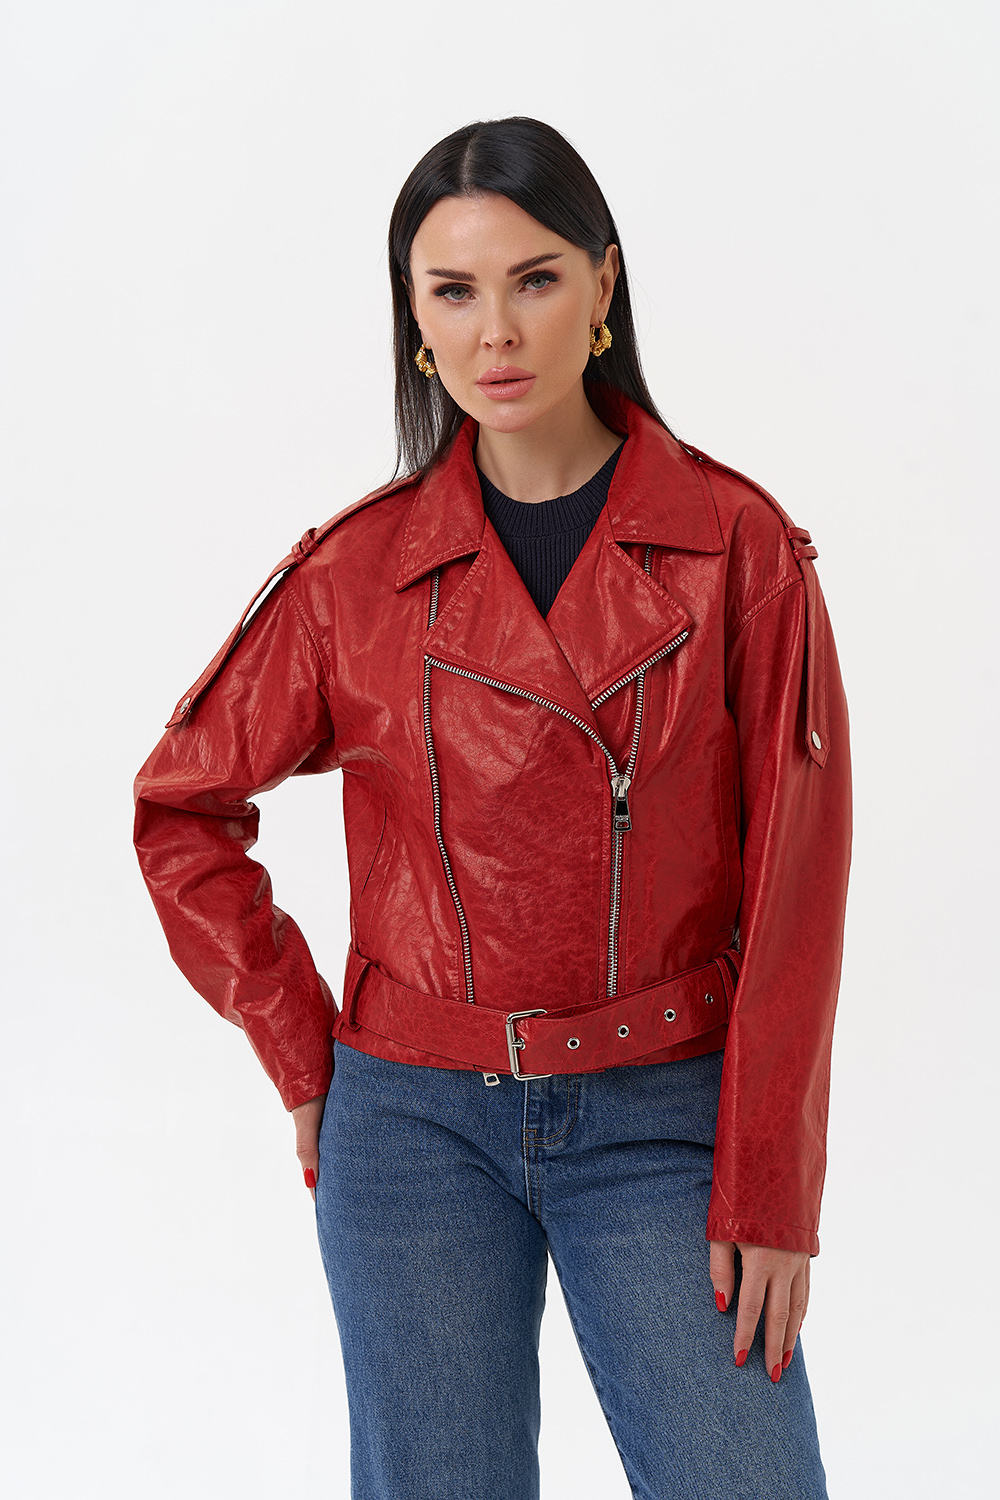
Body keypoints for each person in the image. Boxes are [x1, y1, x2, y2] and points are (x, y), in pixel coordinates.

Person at [133, 116, 852, 1500]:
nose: (496, 332)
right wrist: (305, 1052)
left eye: (534, 279)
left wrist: (772, 1178)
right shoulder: (357, 573)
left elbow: (798, 887)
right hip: (410, 1124)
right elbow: (182, 807)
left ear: (603, 283)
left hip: (665, 1112)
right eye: (452, 292)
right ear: (414, 320)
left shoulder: (737, 546)